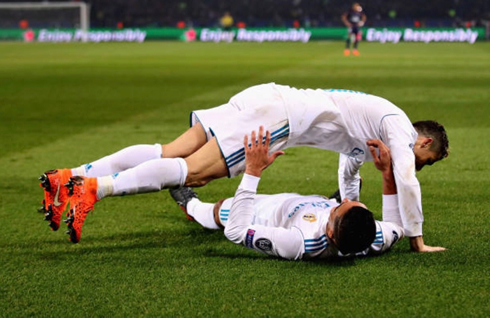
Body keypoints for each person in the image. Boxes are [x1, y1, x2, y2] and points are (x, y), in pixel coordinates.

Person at [38, 83, 448, 251]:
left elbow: (349, 171)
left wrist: (353, 207)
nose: (416, 164)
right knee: (195, 171)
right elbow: (406, 177)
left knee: (170, 150)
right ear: (422, 141)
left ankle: (68, 177)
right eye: (423, 158)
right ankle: (92, 189)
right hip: (280, 117)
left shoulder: (371, 129)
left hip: (267, 96)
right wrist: (416, 238)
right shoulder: (397, 126)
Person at [169, 128, 403, 260]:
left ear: (330, 233)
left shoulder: (299, 242)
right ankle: (333, 200)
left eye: (342, 207)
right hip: (313, 205)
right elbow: (396, 225)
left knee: (220, 211)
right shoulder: (377, 237)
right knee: (342, 195)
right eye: (352, 204)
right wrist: (386, 173)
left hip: (267, 212)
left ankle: (190, 205)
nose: (351, 200)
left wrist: (252, 171)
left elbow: (236, 232)